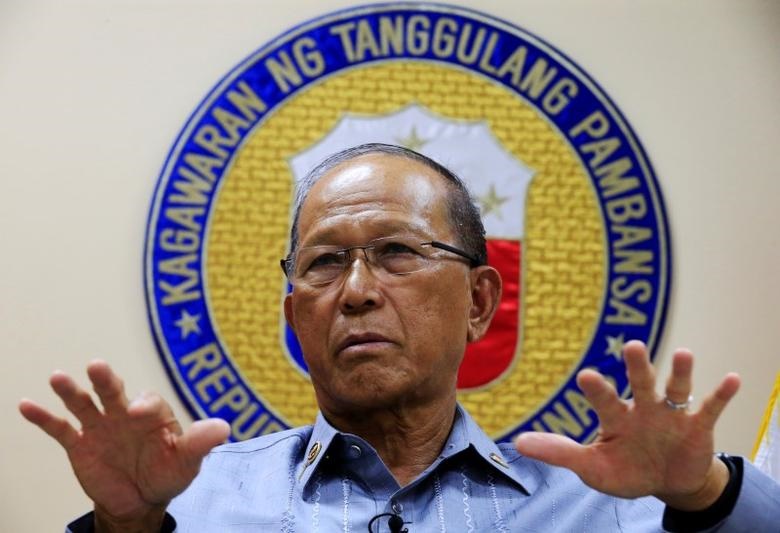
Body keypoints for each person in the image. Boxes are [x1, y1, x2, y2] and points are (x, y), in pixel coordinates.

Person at [20, 144, 780, 532]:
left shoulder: (612, 503)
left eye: (397, 252)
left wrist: (705, 495)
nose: (355, 291)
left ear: (480, 301)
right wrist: (125, 526)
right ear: (295, 318)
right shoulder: (190, 501)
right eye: (323, 263)